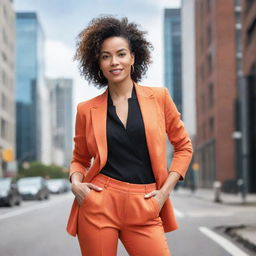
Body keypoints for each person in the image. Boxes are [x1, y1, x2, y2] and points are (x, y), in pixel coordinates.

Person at [66, 16, 193, 256]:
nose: (114, 62)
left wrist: (163, 193)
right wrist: (76, 184)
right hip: (99, 204)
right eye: (106, 56)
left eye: (121, 54)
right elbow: (80, 158)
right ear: (99, 64)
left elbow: (184, 147)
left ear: (133, 57)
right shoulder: (86, 109)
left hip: (145, 202)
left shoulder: (160, 98)